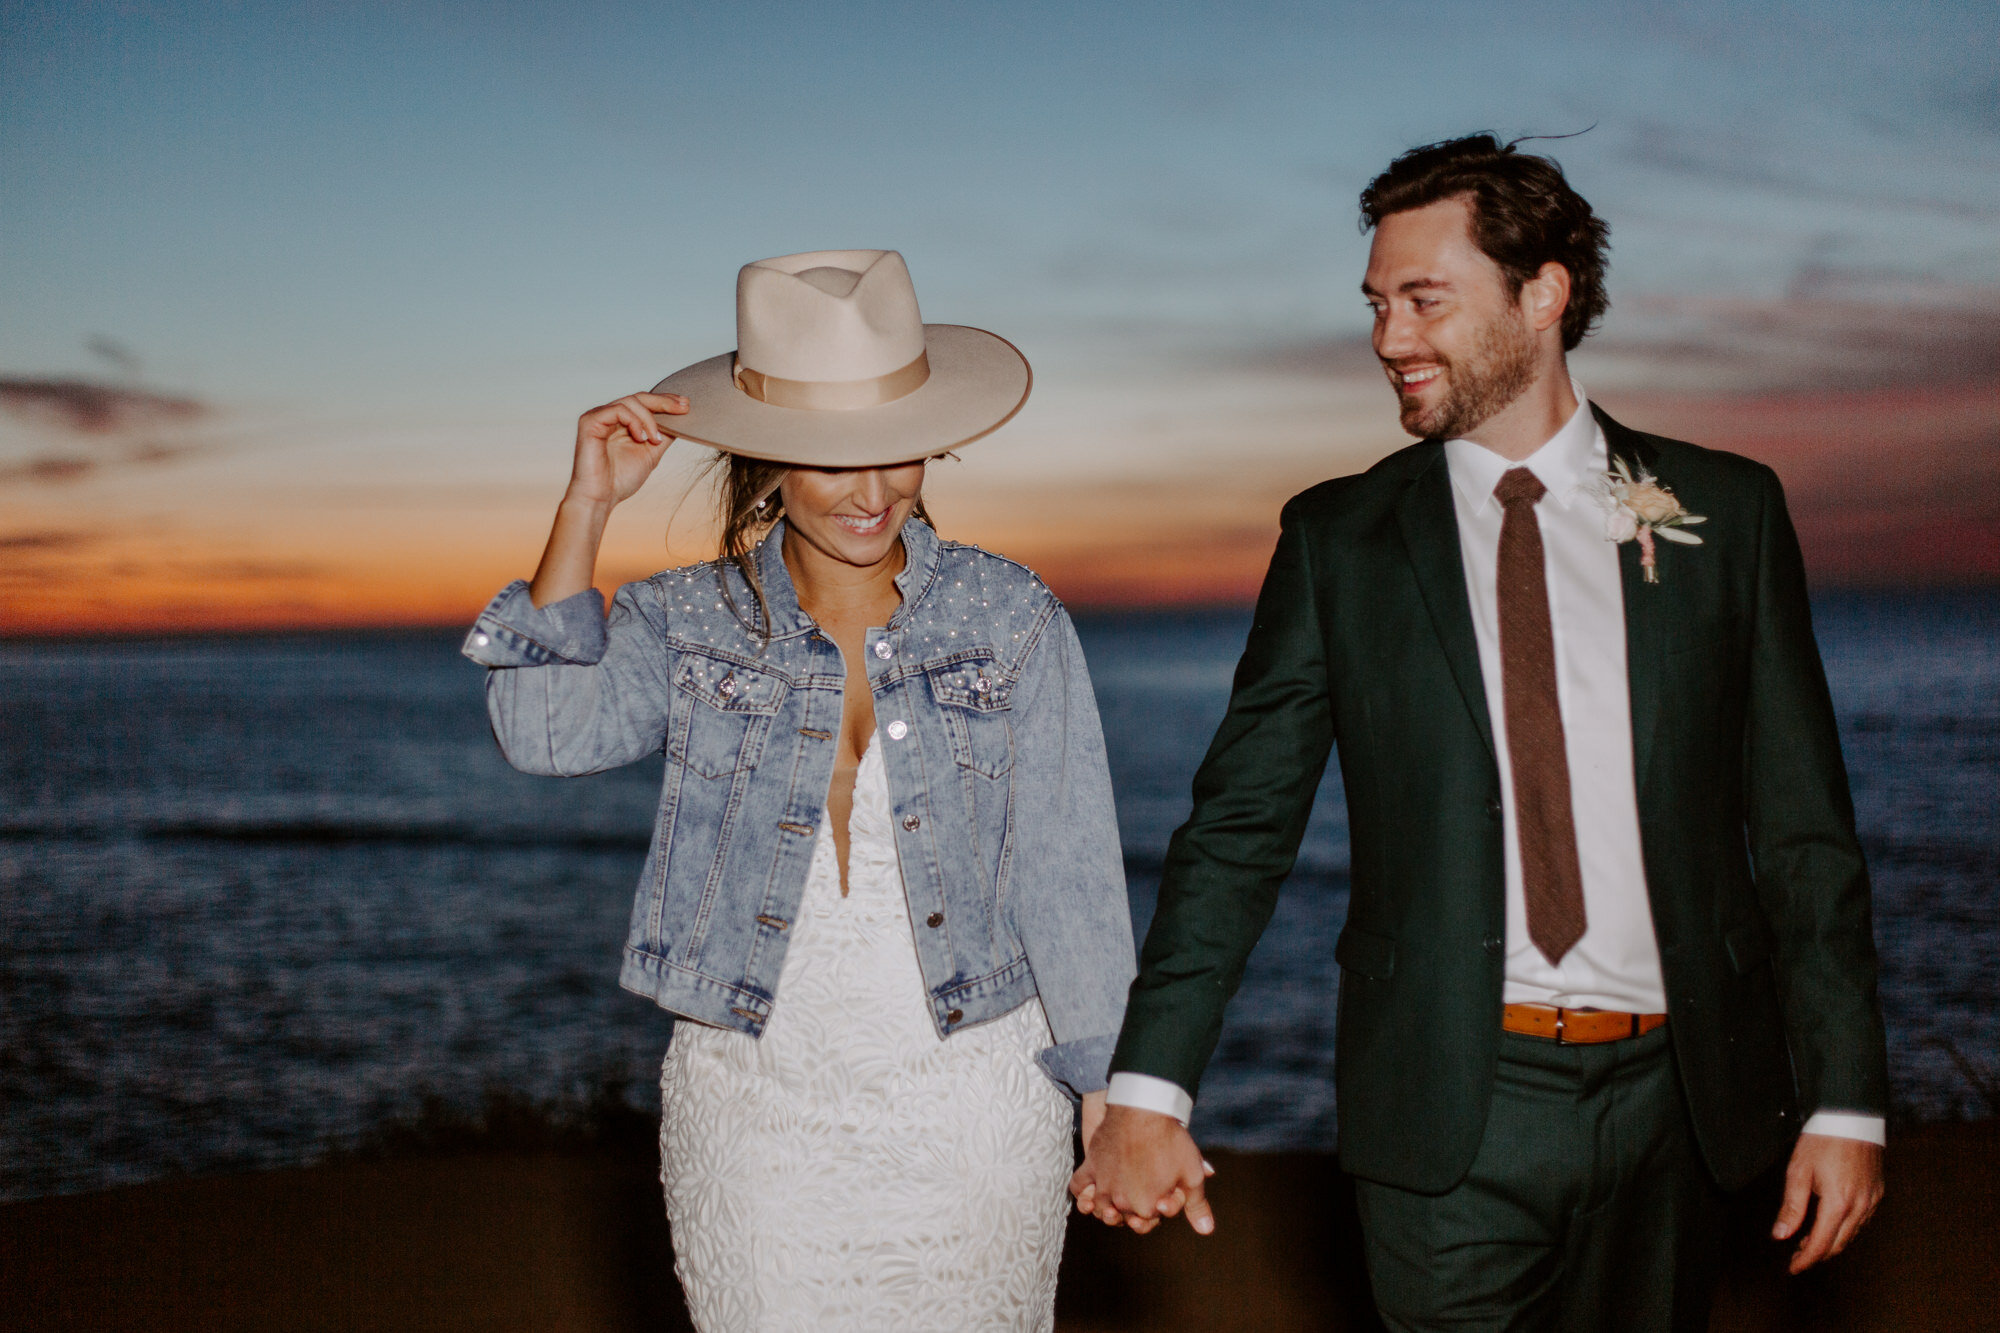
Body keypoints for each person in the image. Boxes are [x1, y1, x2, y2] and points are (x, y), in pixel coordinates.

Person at [1073, 136, 1889, 1330]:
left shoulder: (1728, 507)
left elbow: (1807, 834)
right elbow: (1238, 829)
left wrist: (1844, 1101)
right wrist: (1148, 1086)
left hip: (1682, 1103)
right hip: (1449, 1107)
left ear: (1542, 294)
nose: (1386, 339)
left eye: (1422, 300)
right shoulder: (1338, 540)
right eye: (1374, 305)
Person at [462, 249, 1135, 1332]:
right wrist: (585, 504)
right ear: (767, 460)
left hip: (970, 1101)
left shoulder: (1008, 616)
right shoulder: (685, 618)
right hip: (752, 1106)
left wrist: (1112, 1097)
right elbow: (544, 733)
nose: (872, 493)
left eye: (896, 452)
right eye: (832, 461)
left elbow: (1069, 868)